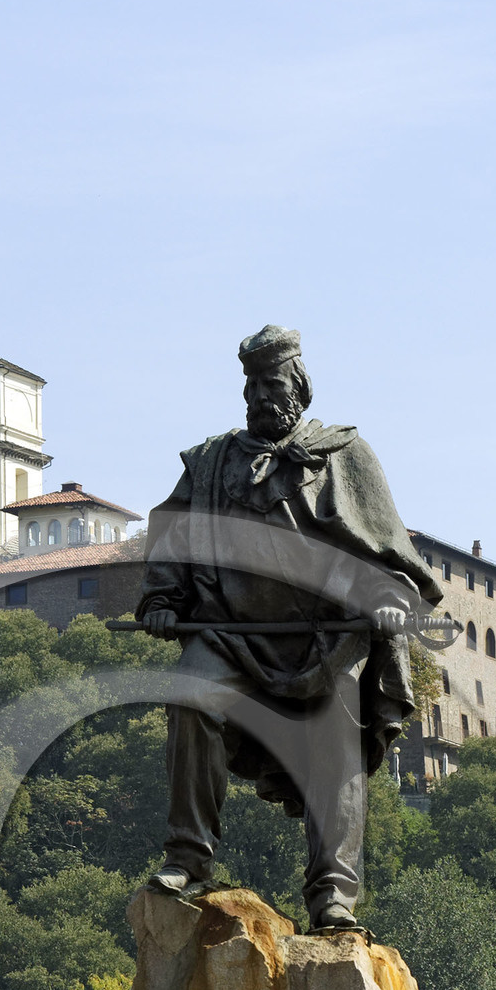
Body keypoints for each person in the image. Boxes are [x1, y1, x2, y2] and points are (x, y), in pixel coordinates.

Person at [137, 324, 441, 931]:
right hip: (230, 634)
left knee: (336, 734)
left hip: (329, 639)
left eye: (271, 384)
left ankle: (333, 893)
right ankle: (188, 858)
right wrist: (164, 598)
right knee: (190, 696)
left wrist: (387, 600)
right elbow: (173, 530)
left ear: (298, 387)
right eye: (250, 385)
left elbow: (389, 550)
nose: (258, 396)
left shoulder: (345, 455)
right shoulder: (213, 461)